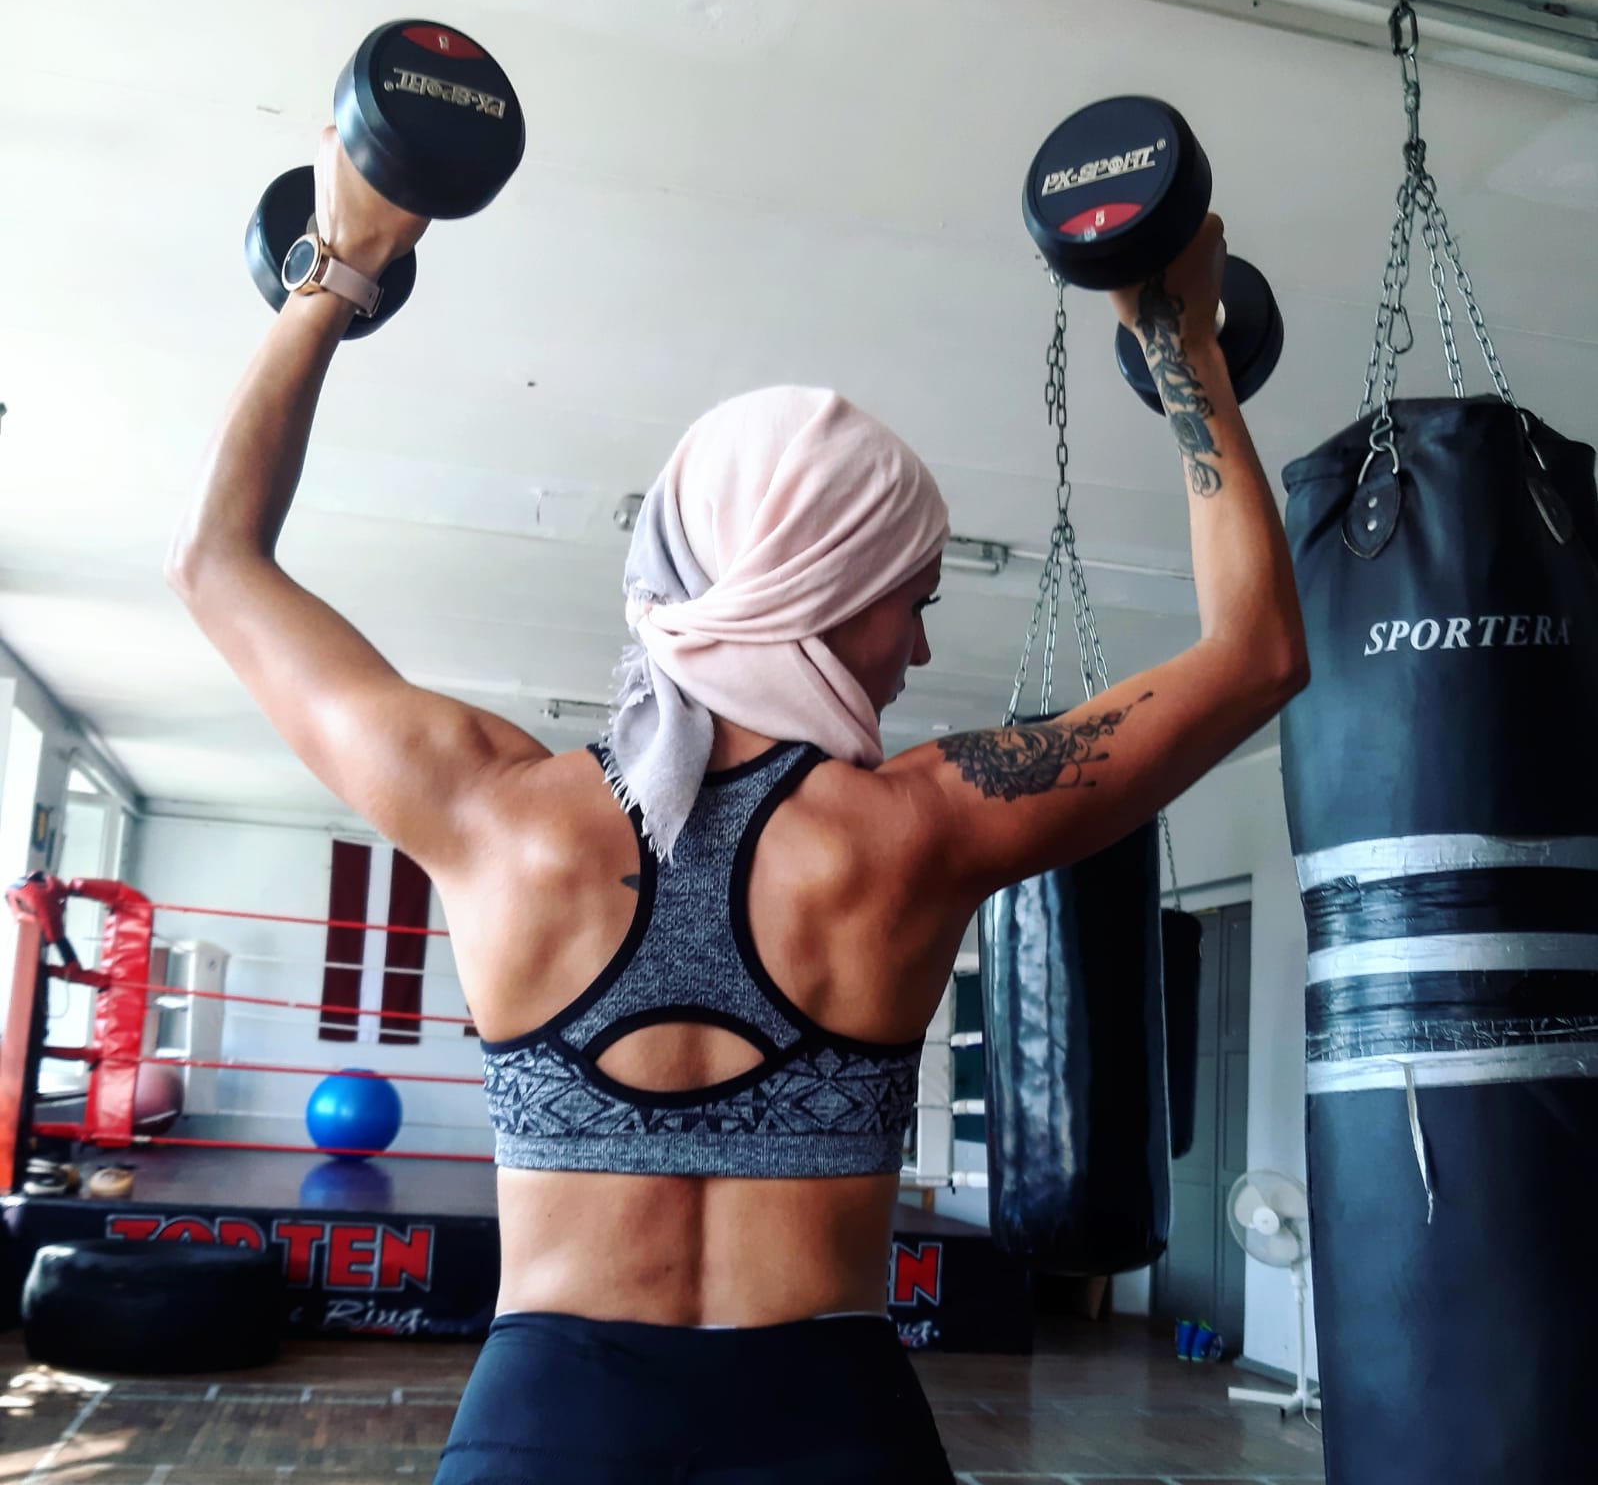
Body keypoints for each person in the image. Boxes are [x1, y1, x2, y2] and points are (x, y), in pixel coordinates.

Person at [167, 127, 1308, 1484]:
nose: (918, 650)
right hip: (830, 1430)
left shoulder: (494, 816)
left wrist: (339, 270)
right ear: (812, 590)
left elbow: (218, 564)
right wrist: (1180, 343)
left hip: (550, 1431)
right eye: (909, 600)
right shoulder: (915, 833)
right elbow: (1255, 654)